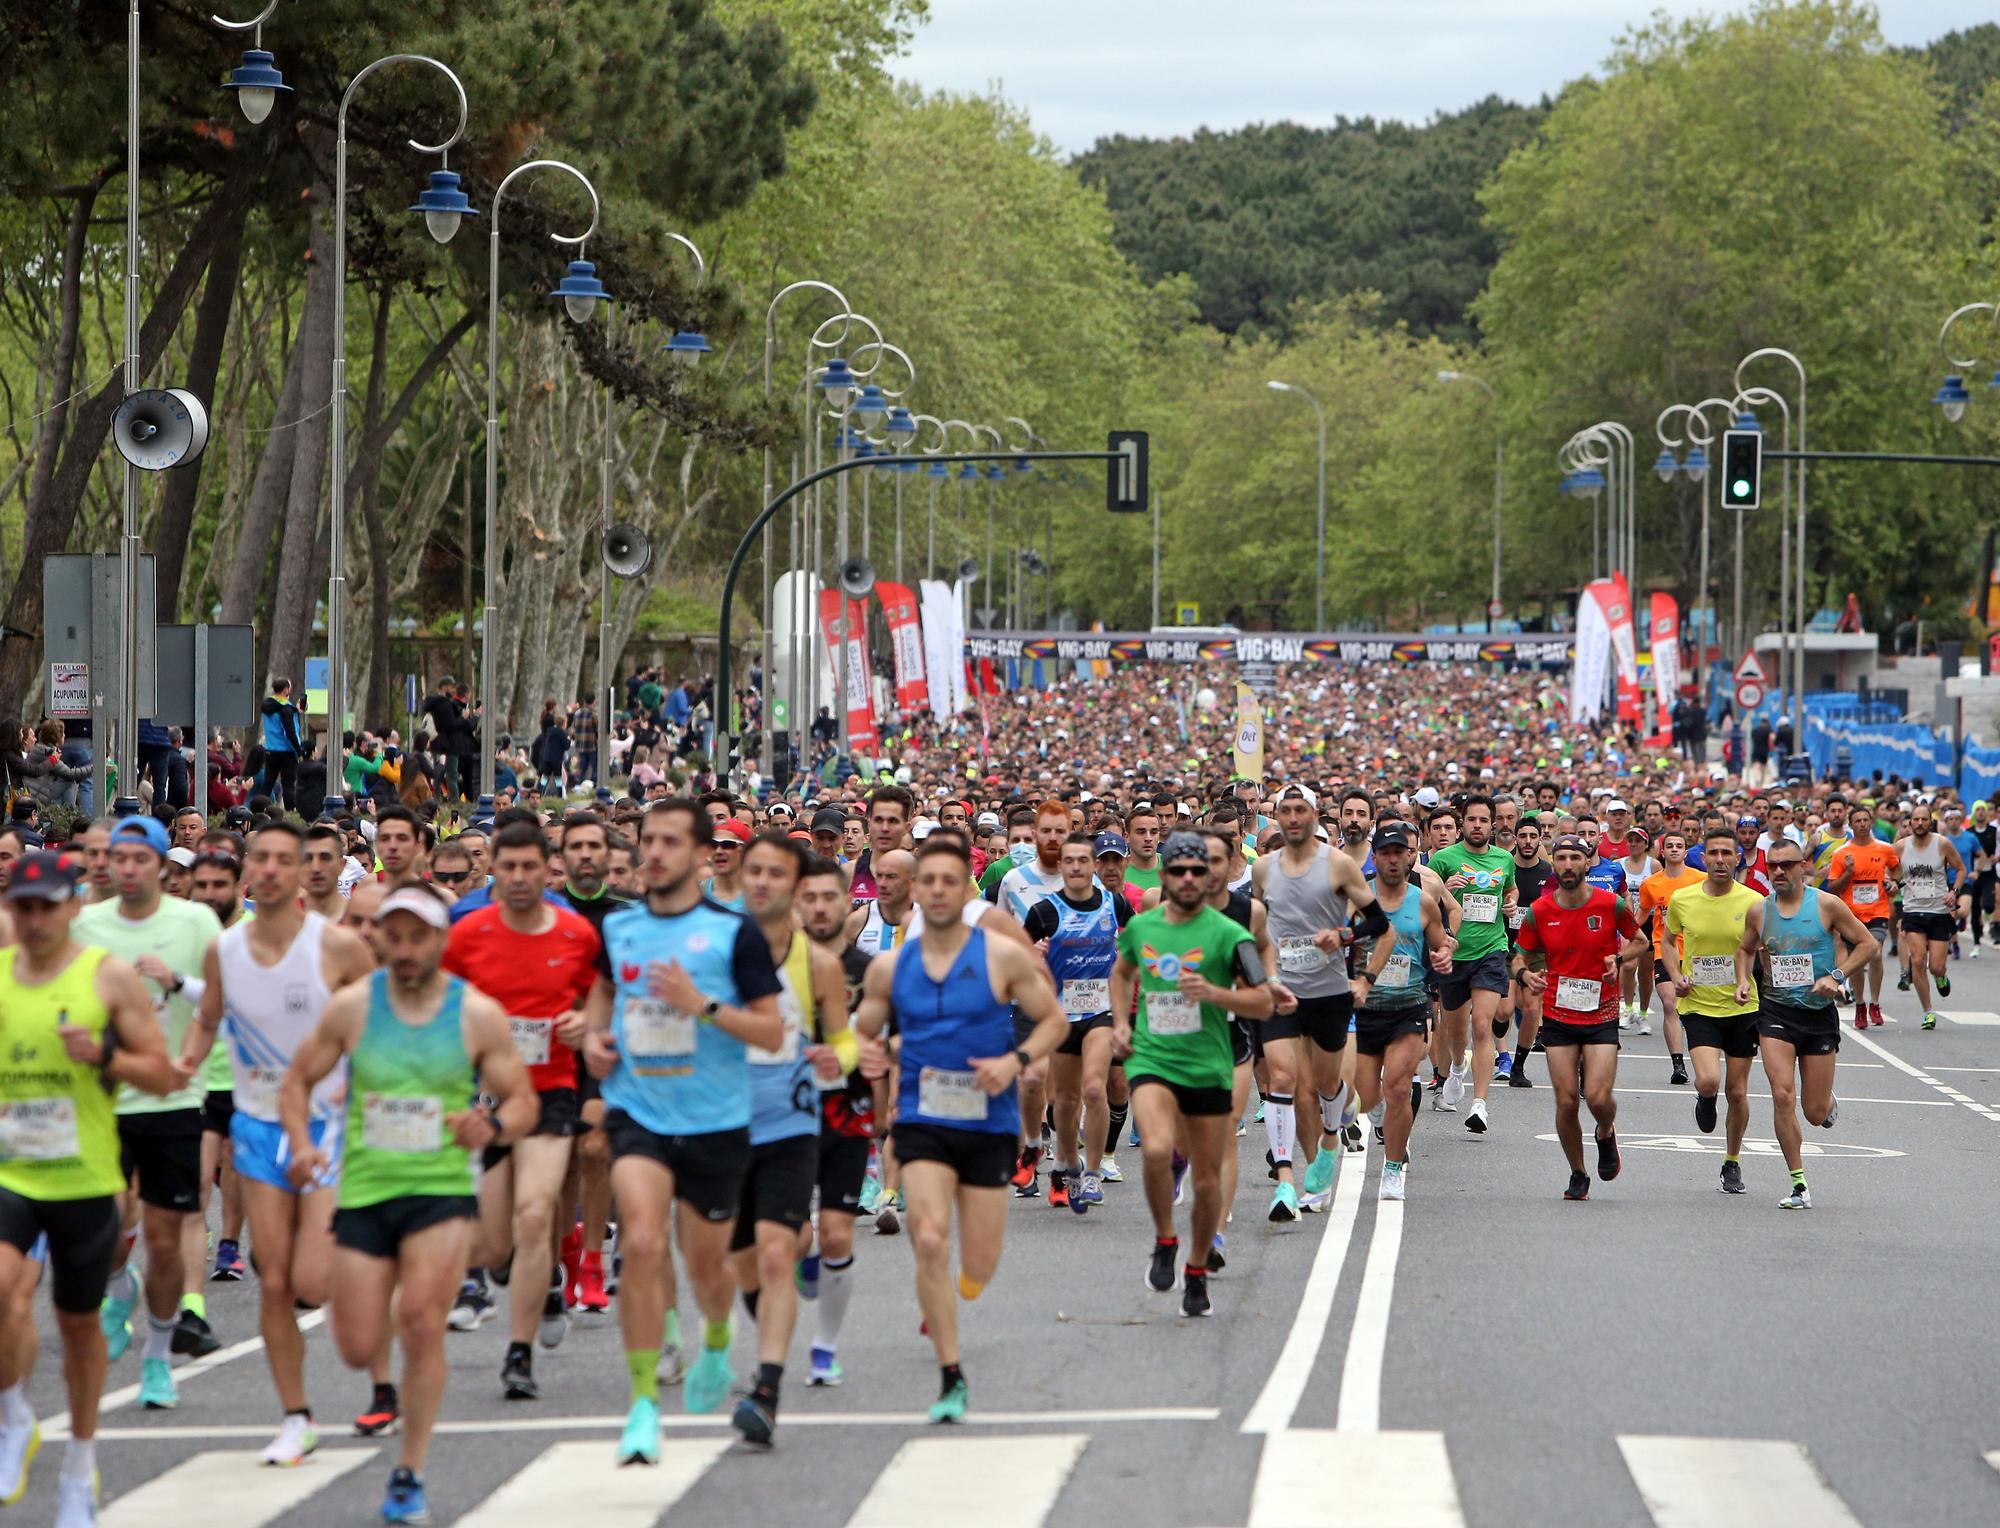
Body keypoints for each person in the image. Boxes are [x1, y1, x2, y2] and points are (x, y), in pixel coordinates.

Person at [281, 885, 536, 1524]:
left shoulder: (475, 1014)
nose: (404, 949)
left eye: (417, 936)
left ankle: (409, 1471)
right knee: (356, 1341)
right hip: (366, 1188)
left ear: (441, 941)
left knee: (423, 1322)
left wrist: (493, 1127)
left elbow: (523, 1101)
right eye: (392, 936)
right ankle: (384, 1346)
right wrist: (303, 1143)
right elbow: (297, 1081)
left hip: (440, 1190)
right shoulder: (353, 1008)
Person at [579, 799, 785, 1465]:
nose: (656, 853)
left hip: (716, 1119)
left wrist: (703, 1006)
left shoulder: (735, 934)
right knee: (640, 1239)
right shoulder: (621, 927)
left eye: (672, 842)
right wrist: (594, 1040)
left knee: (706, 1266)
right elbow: (603, 996)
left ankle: (719, 1337)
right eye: (649, 841)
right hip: (637, 1108)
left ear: (701, 855)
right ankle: (642, 1404)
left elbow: (772, 1029)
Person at [174, 822, 375, 1462]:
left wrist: (357, 1083)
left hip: (325, 1124)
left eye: (281, 861)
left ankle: (367, 1282)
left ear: (300, 874)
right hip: (257, 1125)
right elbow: (206, 1023)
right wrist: (181, 1069)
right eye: (256, 858)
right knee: (275, 1278)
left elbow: (379, 1024)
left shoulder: (336, 949)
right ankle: (296, 1417)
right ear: (246, 871)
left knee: (312, 1279)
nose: (267, 870)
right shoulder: (224, 952)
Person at [852, 834, 1067, 1419]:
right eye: (930, 882)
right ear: (914, 893)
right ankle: (951, 1376)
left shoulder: (1001, 956)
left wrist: (1015, 1062)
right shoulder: (891, 968)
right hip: (922, 1116)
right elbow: (860, 1032)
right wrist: (865, 1055)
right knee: (926, 1239)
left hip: (987, 1122)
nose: (939, 891)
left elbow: (1053, 1022)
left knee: (979, 1261)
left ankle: (963, 1286)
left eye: (951, 881)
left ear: (967, 889)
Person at [0, 851, 177, 1525]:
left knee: (78, 1330)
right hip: (10, 1173)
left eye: (49, 906)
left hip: (84, 1178)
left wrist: (103, 1055)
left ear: (74, 905)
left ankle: (80, 1463)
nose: (37, 919)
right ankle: (14, 1414)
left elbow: (162, 1075)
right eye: (25, 906)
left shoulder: (105, 979)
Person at [442, 820, 600, 1402]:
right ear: (494, 871)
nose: (518, 878)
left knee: (536, 1214)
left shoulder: (576, 933)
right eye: (507, 867)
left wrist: (587, 1024)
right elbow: (440, 1007)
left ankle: (519, 1352)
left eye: (530, 867)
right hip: (485, 1095)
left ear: (545, 868)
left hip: (551, 1089)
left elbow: (595, 1000)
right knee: (492, 1248)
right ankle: (528, 1277)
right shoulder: (467, 932)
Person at [74, 816, 223, 1410]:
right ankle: (118, 1288)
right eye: (118, 858)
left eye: (140, 858)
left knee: (165, 1243)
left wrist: (190, 1058)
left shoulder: (195, 922)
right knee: (105, 1225)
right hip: (104, 1098)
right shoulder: (85, 927)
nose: (127, 868)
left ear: (163, 864)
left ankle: (158, 1356)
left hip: (174, 1100)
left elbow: (217, 1000)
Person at [1111, 830, 1274, 1314]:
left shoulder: (1231, 936)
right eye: (1177, 871)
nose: (1186, 879)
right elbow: (1121, 973)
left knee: (1206, 1183)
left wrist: (1216, 994)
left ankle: (1197, 1267)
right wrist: (1121, 1023)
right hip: (1152, 1058)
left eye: (1196, 871)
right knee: (1158, 1149)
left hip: (1208, 1063)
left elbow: (1262, 1001)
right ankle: (1165, 1239)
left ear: (1209, 878)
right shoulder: (1143, 927)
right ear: (1164, 877)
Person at [727, 833, 854, 1446]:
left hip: (790, 1123)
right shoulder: (716, 951)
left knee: (778, 1255)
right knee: (742, 1265)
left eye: (776, 874)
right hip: (721, 1125)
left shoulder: (819, 965)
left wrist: (841, 1056)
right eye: (753, 871)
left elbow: (845, 1038)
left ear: (796, 890)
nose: (761, 883)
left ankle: (768, 1389)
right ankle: (766, 1329)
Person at [1252, 783, 1386, 1209]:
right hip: (1282, 991)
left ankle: (1330, 1141)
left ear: (1313, 816)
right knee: (1285, 1081)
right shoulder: (1263, 869)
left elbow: (1378, 923)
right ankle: (1287, 1180)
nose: (1292, 818)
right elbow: (1257, 931)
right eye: (1285, 810)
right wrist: (1264, 977)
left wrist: (1343, 935)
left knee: (1329, 1085)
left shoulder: (1339, 865)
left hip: (1328, 992)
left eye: (1300, 810)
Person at [1739, 840, 1874, 1209]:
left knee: (1814, 1112)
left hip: (1817, 1015)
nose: (1779, 872)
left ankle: (1826, 1100)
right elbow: (1745, 949)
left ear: (1803, 866)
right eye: (1773, 866)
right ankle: (1799, 1183)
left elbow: (1867, 944)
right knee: (1782, 1094)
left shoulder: (1827, 904)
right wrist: (1741, 980)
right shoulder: (1759, 910)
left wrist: (1837, 975)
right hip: (1776, 1013)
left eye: (1787, 865)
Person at [1512, 835, 1645, 1201]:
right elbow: (1519, 956)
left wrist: (1617, 960)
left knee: (1599, 1097)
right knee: (1567, 1101)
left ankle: (1605, 1130)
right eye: (1561, 858)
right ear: (1552, 863)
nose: (1567, 864)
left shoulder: (1610, 904)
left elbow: (1640, 941)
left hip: (1601, 1011)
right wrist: (1526, 976)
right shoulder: (1540, 910)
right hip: (1557, 1013)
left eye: (1575, 858)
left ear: (1588, 863)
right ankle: (1578, 1171)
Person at [796, 854, 881, 1380]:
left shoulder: (866, 971)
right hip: (784, 1111)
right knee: (789, 1235)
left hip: (847, 1111)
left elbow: (883, 1038)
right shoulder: (773, 968)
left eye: (831, 896)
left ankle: (825, 1348)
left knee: (835, 1234)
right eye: (810, 897)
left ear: (848, 901)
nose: (822, 907)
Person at [1022, 832, 1133, 1211]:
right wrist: (1035, 956)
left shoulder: (1113, 905)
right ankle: (1069, 1165)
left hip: (1100, 1011)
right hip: (1061, 1015)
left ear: (1094, 866)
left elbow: (1137, 941)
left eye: (1083, 861)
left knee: (1092, 1090)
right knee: (1065, 1103)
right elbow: (1017, 957)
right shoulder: (1045, 911)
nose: (1075, 867)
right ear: (1061, 865)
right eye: (1068, 861)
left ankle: (1093, 1172)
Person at [1352, 823, 1453, 1200]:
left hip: (1408, 1004)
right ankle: (1379, 1118)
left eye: (1400, 853)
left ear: (1411, 856)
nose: (1394, 860)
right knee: (1365, 1093)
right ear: (1374, 857)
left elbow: (1441, 945)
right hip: (1365, 1006)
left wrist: (1444, 957)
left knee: (1397, 1085)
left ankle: (1393, 1168)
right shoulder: (1357, 898)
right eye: (1386, 853)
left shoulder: (1423, 901)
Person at [1662, 829, 1762, 1195]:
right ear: (1702, 859)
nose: (1720, 859)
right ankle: (1705, 1099)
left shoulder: (1754, 902)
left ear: (1738, 859)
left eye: (1727, 854)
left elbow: (1759, 950)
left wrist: (1748, 981)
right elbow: (1669, 941)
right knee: (1709, 1081)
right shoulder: (1683, 899)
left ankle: (1732, 1161)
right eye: (1713, 853)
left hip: (1741, 1006)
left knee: (1738, 1092)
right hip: (1699, 1005)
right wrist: (1675, 975)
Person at [1428, 796, 1516, 1134]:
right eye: (1472, 820)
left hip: (1491, 951)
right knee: (1455, 1029)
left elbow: (1511, 891)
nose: (1477, 826)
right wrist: (1444, 892)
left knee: (1482, 1025)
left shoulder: (1503, 859)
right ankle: (1455, 1069)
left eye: (1483, 820)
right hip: (1453, 953)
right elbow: (1424, 902)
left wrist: (1509, 906)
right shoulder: (1444, 860)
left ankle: (1479, 1105)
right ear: (1462, 824)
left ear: (1492, 824)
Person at [1636, 830, 1702, 1086]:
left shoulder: (1700, 880)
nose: (1674, 849)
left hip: (1697, 952)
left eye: (1679, 846)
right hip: (1666, 950)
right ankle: (1678, 1064)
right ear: (1662, 852)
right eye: (1669, 846)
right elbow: (1640, 916)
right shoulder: (1651, 883)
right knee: (1669, 1004)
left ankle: (1701, 1056)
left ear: (1686, 852)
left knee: (1697, 1009)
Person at [1896, 803, 1965, 1029]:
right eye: (1915, 820)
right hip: (1913, 910)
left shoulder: (1942, 844)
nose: (1919, 824)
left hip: (1938, 911)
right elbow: (1888, 872)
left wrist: (1954, 892)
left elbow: (1961, 868)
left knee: (1936, 966)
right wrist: (1891, 884)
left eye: (1924, 820)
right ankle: (1928, 1012)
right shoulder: (1900, 847)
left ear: (1930, 822)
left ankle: (1941, 977)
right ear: (1910, 823)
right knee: (1917, 960)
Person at [258, 678, 306, 806]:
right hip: (287, 752)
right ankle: (291, 812)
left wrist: (296, 711)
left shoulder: (267, 705)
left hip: (270, 750)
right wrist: (299, 750)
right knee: (288, 785)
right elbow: (289, 732)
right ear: (286, 690)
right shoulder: (286, 708)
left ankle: (258, 809)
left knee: (268, 784)